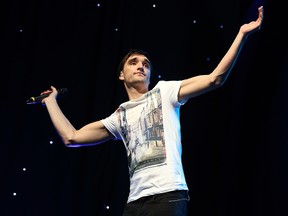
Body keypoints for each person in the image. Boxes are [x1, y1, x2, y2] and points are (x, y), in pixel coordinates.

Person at [40, 6, 264, 216]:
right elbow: (72, 137)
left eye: (146, 64)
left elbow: (215, 79)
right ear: (121, 75)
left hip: (168, 195)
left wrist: (242, 34)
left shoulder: (164, 92)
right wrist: (51, 102)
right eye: (134, 63)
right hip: (135, 202)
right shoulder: (120, 115)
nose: (141, 66)